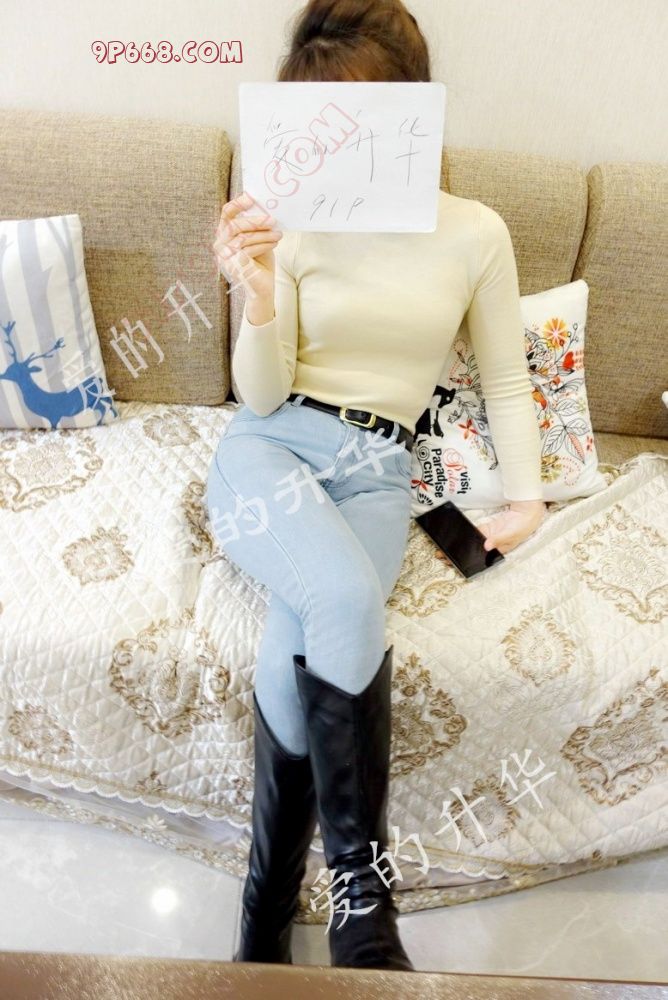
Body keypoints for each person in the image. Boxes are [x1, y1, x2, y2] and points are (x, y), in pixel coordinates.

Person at [205, 0, 547, 972]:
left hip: (375, 471)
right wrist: (256, 291)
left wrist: (524, 500)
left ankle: (264, 915)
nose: (339, 139)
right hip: (270, 448)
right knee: (345, 597)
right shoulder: (285, 219)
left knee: (297, 640)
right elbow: (260, 394)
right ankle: (363, 901)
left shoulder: (474, 231)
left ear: (413, 106)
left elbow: (505, 377)